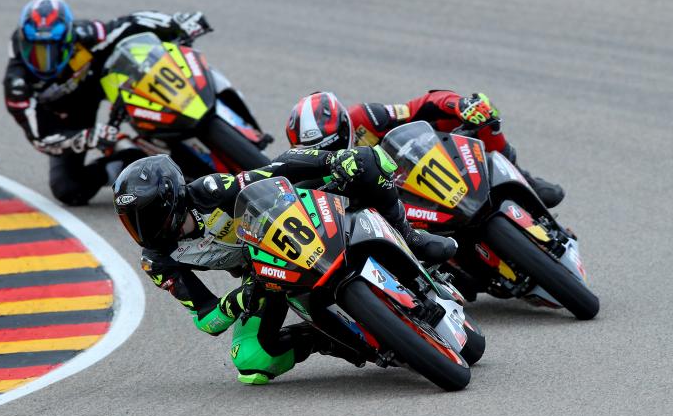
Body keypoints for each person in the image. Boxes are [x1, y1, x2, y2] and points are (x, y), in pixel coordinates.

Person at [112, 143, 458, 384]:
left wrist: (332, 161)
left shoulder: (209, 191)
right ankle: (322, 339)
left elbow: (275, 170)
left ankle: (408, 235)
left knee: (366, 162)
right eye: (131, 221)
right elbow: (207, 319)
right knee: (251, 360)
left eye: (147, 216)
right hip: (261, 277)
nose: (141, 230)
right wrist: (239, 300)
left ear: (172, 198)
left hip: (288, 224)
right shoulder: (157, 261)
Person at [3, 0, 211, 205]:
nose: (45, 61)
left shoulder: (84, 34)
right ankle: (130, 157)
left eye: (53, 50)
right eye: (37, 51)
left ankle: (189, 110)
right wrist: (85, 138)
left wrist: (175, 22)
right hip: (71, 116)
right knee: (67, 188)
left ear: (68, 40)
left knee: (147, 61)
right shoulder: (17, 84)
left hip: (104, 82)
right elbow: (40, 138)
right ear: (23, 43)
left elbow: (129, 23)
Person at [285, 91, 564, 208]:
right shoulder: (310, 172)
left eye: (333, 142)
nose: (331, 151)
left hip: (425, 171)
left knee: (478, 115)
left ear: (345, 124)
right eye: (319, 150)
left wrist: (459, 105)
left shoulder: (366, 118)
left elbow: (421, 106)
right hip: (393, 209)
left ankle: (522, 179)